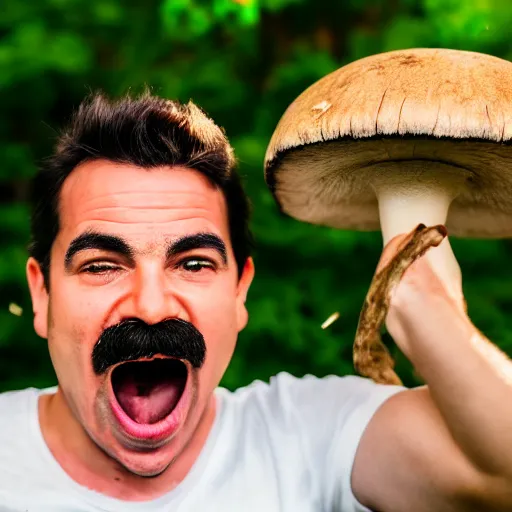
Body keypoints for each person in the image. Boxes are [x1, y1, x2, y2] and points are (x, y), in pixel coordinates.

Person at [0, 91, 510, 512]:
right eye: (102, 266)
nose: (151, 307)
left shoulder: (311, 435)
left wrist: (425, 303)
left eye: (194, 263)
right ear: (40, 294)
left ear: (240, 290)